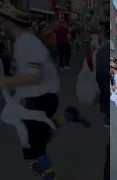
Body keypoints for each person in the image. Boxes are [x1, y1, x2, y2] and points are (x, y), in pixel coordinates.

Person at [0, 4, 87, 180]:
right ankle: (68, 116)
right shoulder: (22, 43)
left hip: (41, 98)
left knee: (34, 148)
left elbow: (33, 77)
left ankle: (50, 176)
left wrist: (6, 81)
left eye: (3, 22)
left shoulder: (28, 44)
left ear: (12, 23)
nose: (2, 26)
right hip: (35, 97)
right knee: (38, 134)